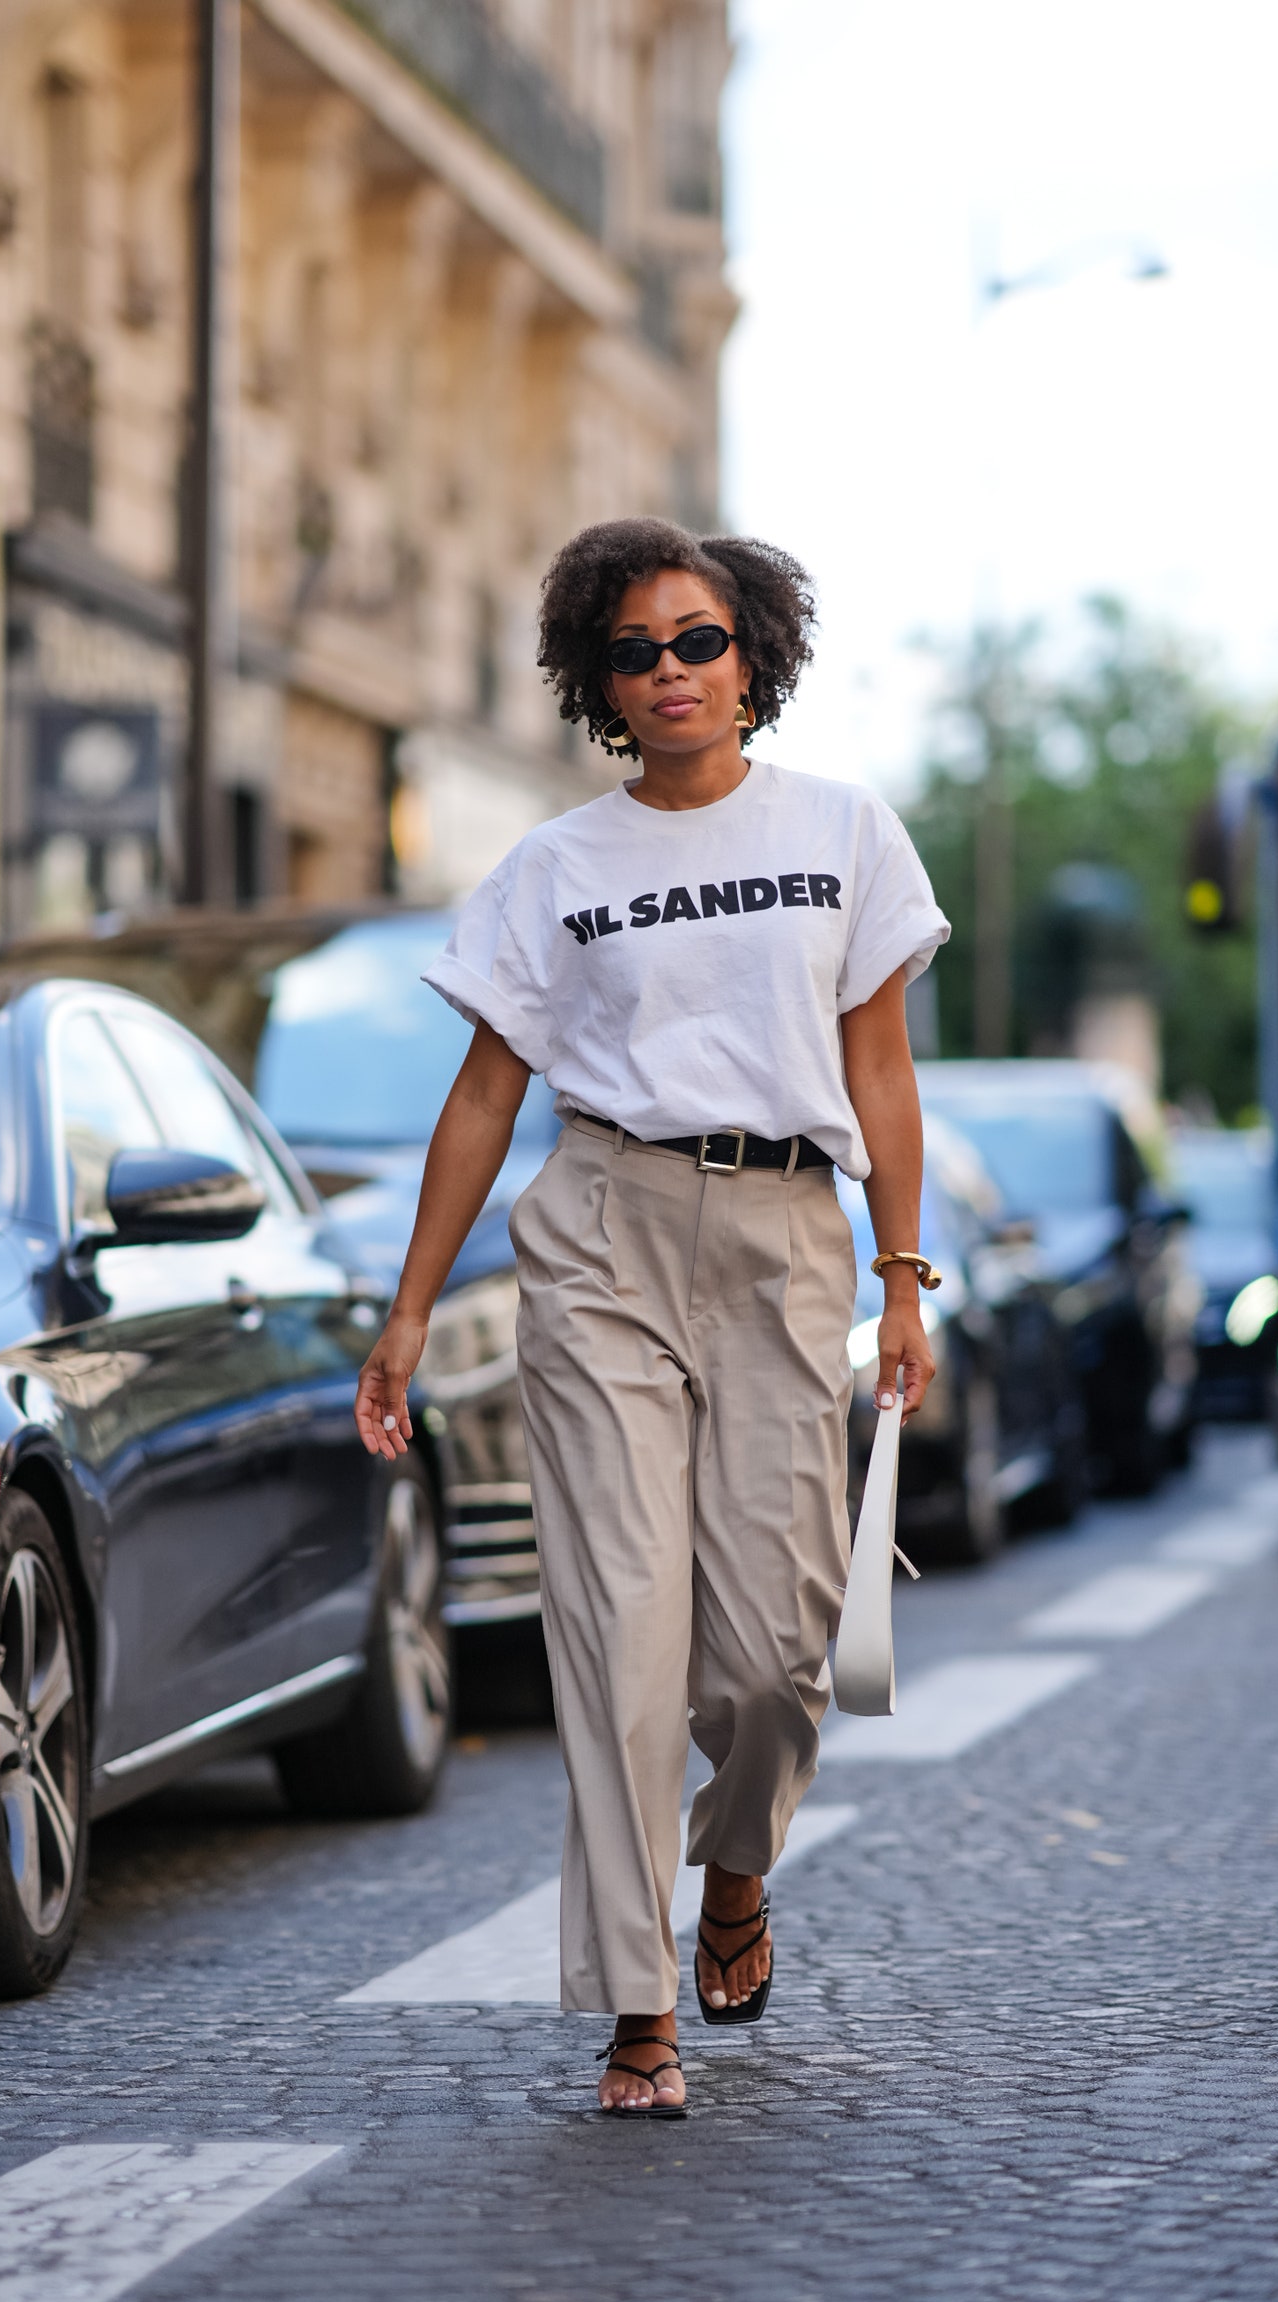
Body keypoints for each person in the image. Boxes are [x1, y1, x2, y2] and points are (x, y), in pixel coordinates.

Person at [354, 517, 948, 2117]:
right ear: (597, 682)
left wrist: (903, 1282)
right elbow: (487, 1096)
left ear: (753, 654)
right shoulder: (553, 869)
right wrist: (408, 1311)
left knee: (770, 1655)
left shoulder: (845, 833)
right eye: (636, 652)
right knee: (621, 1634)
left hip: (783, 1239)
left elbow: (880, 1072)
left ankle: (735, 1870)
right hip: (603, 1234)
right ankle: (637, 2007)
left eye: (698, 641)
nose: (671, 672)